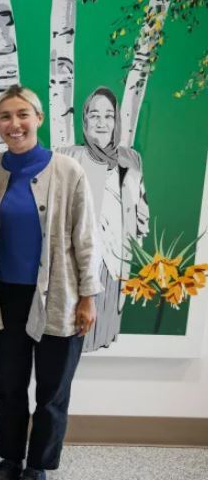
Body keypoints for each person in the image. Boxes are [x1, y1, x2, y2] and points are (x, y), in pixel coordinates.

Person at [0, 85, 100, 480]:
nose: (14, 124)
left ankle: (37, 469)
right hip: (6, 297)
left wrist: (88, 296)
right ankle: (10, 459)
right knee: (8, 387)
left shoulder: (68, 171)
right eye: (5, 117)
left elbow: (86, 239)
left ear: (39, 118)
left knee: (51, 391)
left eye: (22, 115)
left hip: (59, 297)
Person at [57, 86, 149, 351]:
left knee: (105, 329)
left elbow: (141, 209)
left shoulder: (130, 159)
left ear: (116, 121)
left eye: (108, 115)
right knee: (73, 335)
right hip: (81, 261)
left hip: (117, 260)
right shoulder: (69, 156)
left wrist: (137, 239)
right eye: (94, 115)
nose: (101, 122)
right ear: (85, 120)